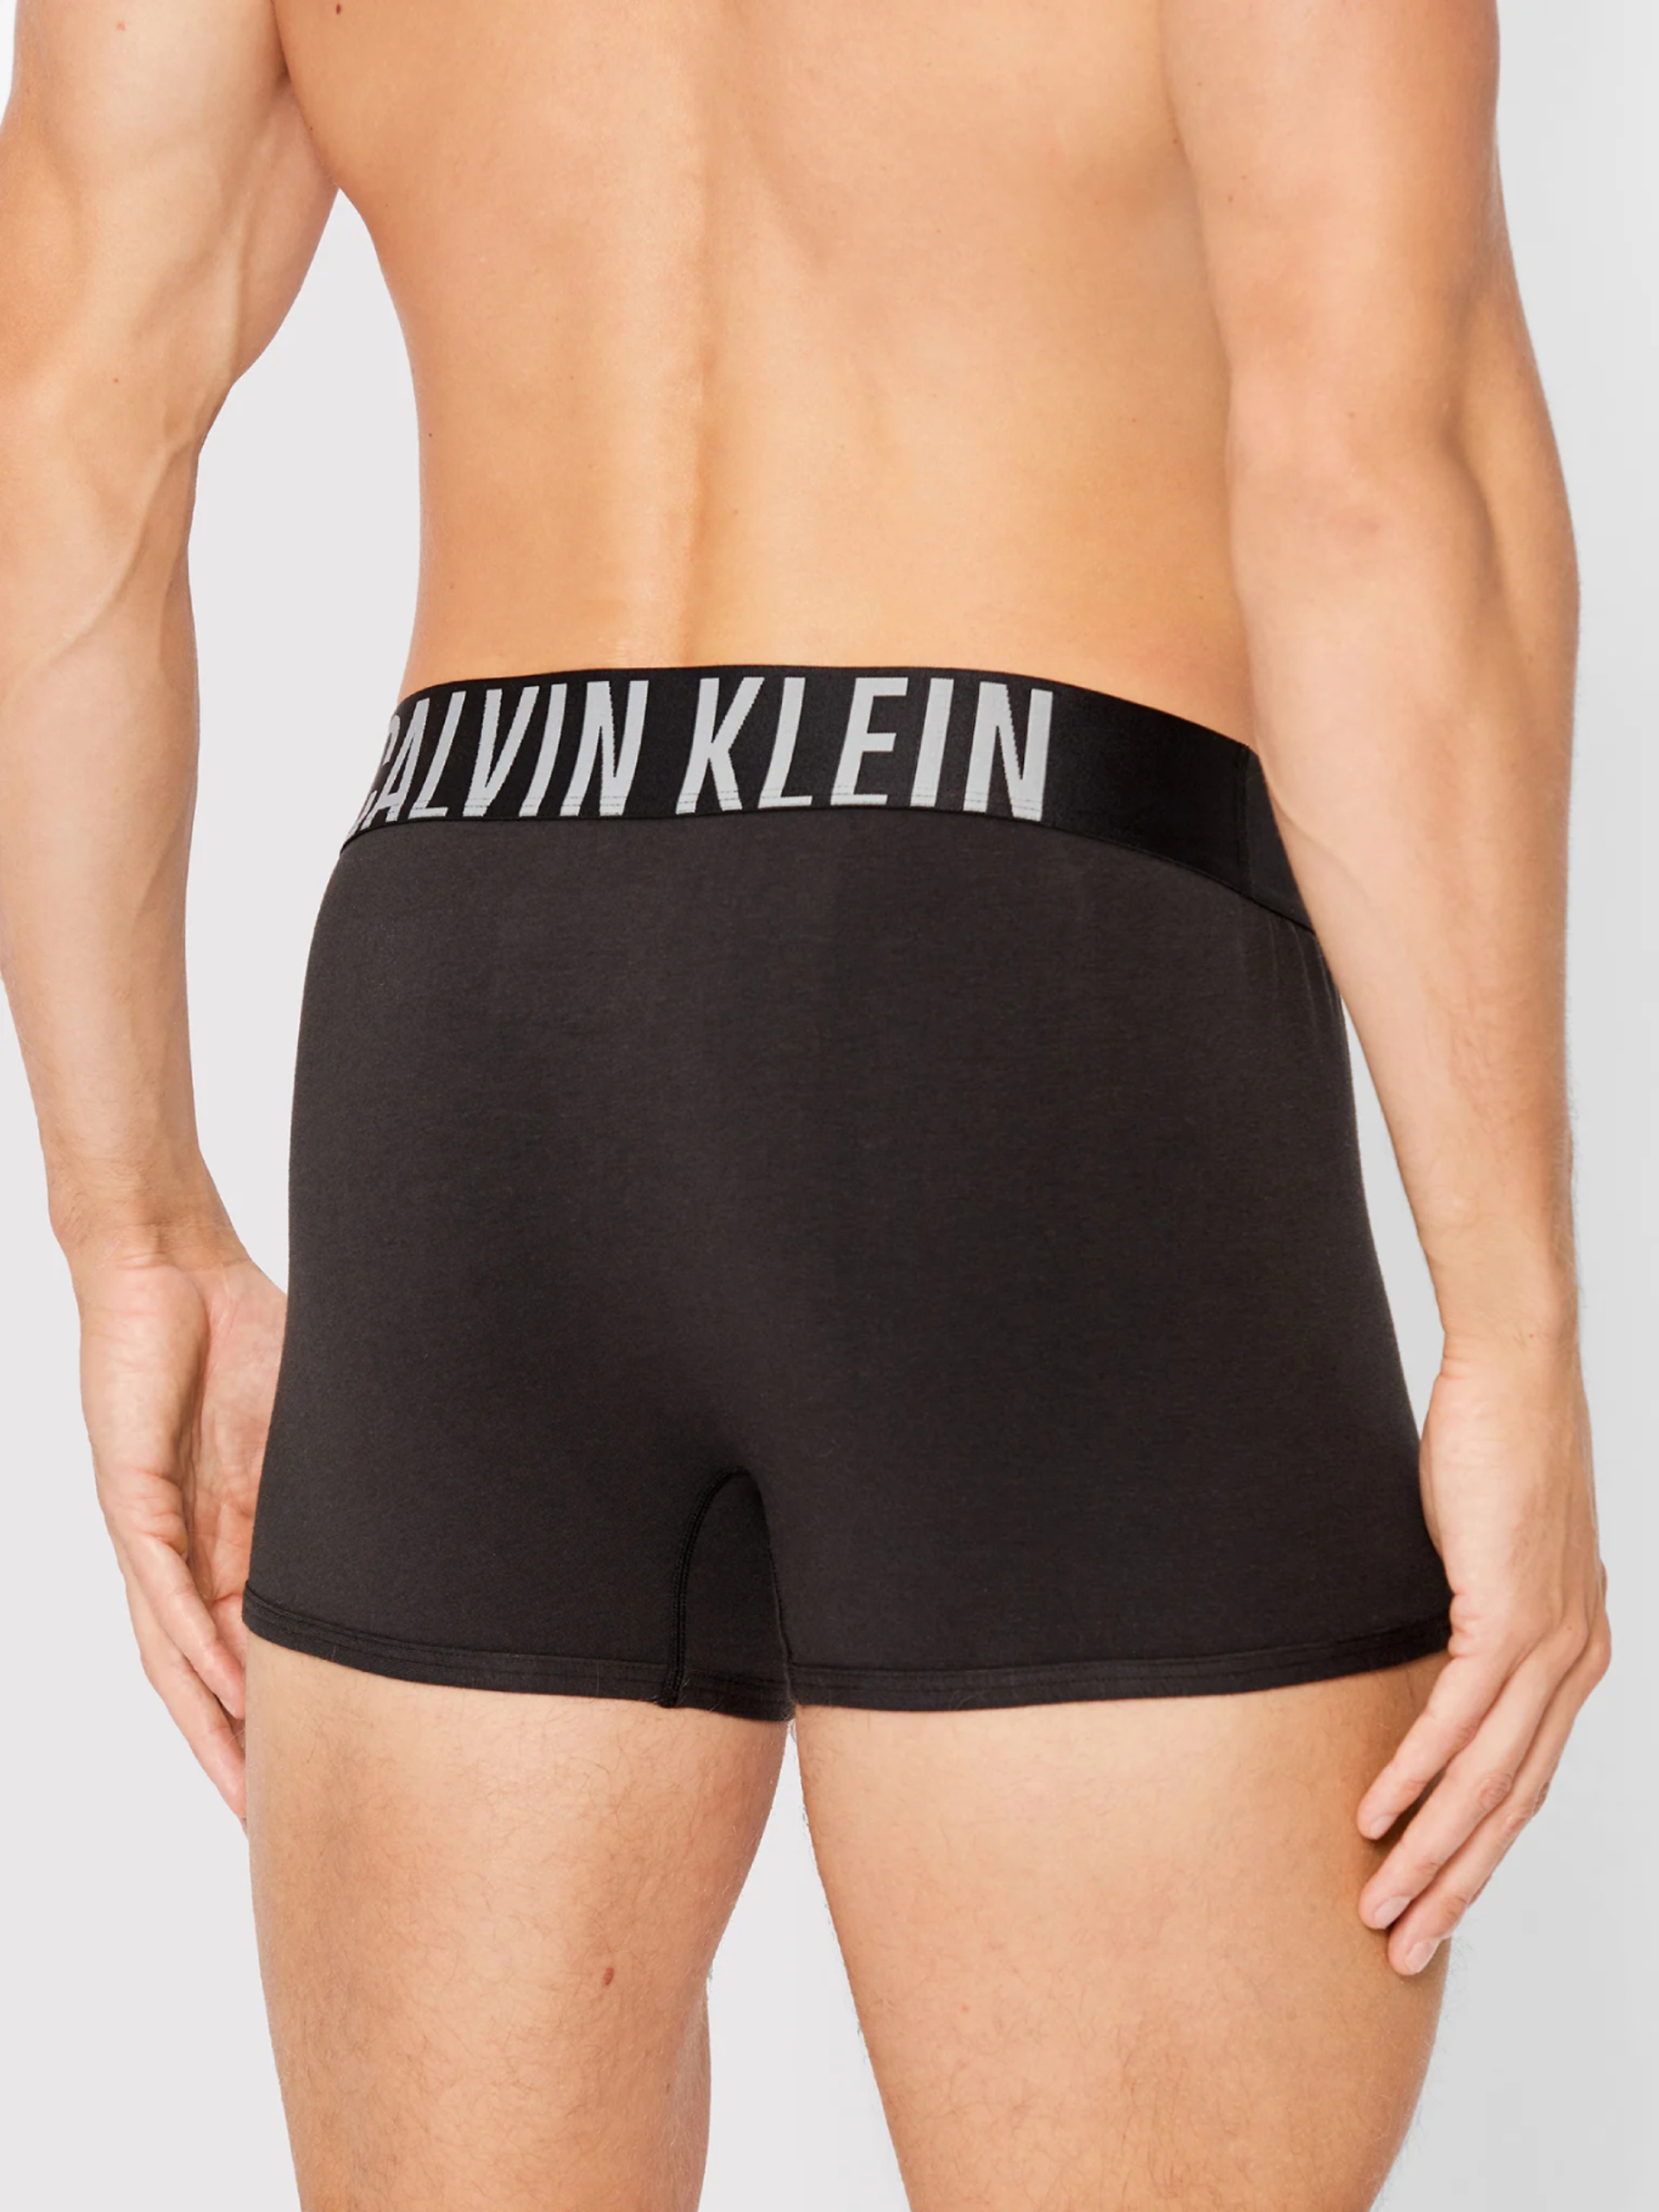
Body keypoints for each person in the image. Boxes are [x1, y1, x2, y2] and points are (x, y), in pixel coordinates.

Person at [0, 0, 1611, 2205]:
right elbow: (1370, 474)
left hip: (475, 1000)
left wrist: (130, 1222)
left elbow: (59, 431)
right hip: (1031, 984)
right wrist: (1514, 1316)